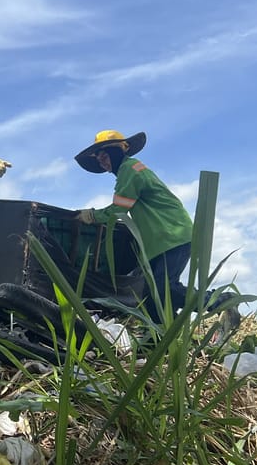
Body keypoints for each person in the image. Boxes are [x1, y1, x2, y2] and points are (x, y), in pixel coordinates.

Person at [74, 129, 239, 328]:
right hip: (160, 242)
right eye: (98, 158)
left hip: (172, 235)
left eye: (104, 155)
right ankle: (159, 338)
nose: (102, 161)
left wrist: (91, 216)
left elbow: (118, 209)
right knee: (151, 296)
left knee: (165, 288)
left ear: (117, 151)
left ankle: (222, 300)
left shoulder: (130, 170)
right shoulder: (128, 172)